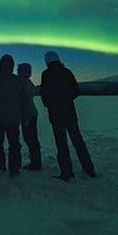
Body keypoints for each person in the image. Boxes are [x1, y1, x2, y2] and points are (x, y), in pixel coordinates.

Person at [39, 51, 96, 181]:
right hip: (70, 113)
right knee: (78, 142)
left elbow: (44, 94)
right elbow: (76, 91)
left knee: (61, 144)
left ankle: (67, 172)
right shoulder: (67, 72)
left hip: (55, 115)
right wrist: (66, 99)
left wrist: (50, 104)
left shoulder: (47, 74)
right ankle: (89, 169)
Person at [0, 54, 29, 177]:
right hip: (13, 119)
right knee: (14, 144)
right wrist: (24, 116)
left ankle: (0, 165)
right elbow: (23, 100)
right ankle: (14, 168)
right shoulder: (17, 80)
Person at [17, 62, 42, 171]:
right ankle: (36, 161)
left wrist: (25, 118)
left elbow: (25, 101)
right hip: (31, 114)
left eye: (18, 70)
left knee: (30, 139)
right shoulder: (27, 82)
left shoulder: (22, 83)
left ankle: (35, 163)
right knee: (32, 139)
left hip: (28, 115)